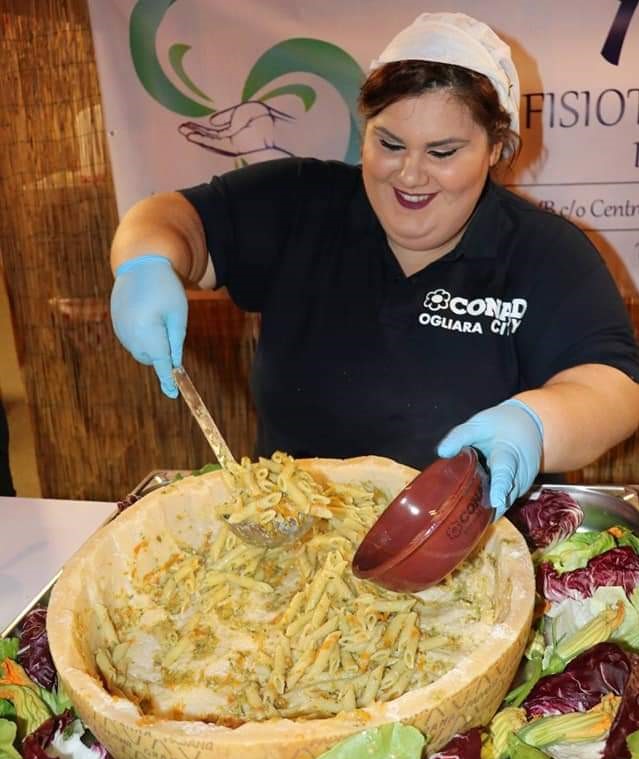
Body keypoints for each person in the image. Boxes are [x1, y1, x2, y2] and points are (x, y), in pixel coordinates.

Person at [109, 12, 639, 518]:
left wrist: (536, 424)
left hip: (461, 551)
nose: (410, 175)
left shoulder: (543, 252)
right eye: (389, 143)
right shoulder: (302, 203)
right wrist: (144, 262)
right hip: (288, 542)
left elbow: (614, 386)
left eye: (443, 152)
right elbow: (172, 218)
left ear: (496, 148)